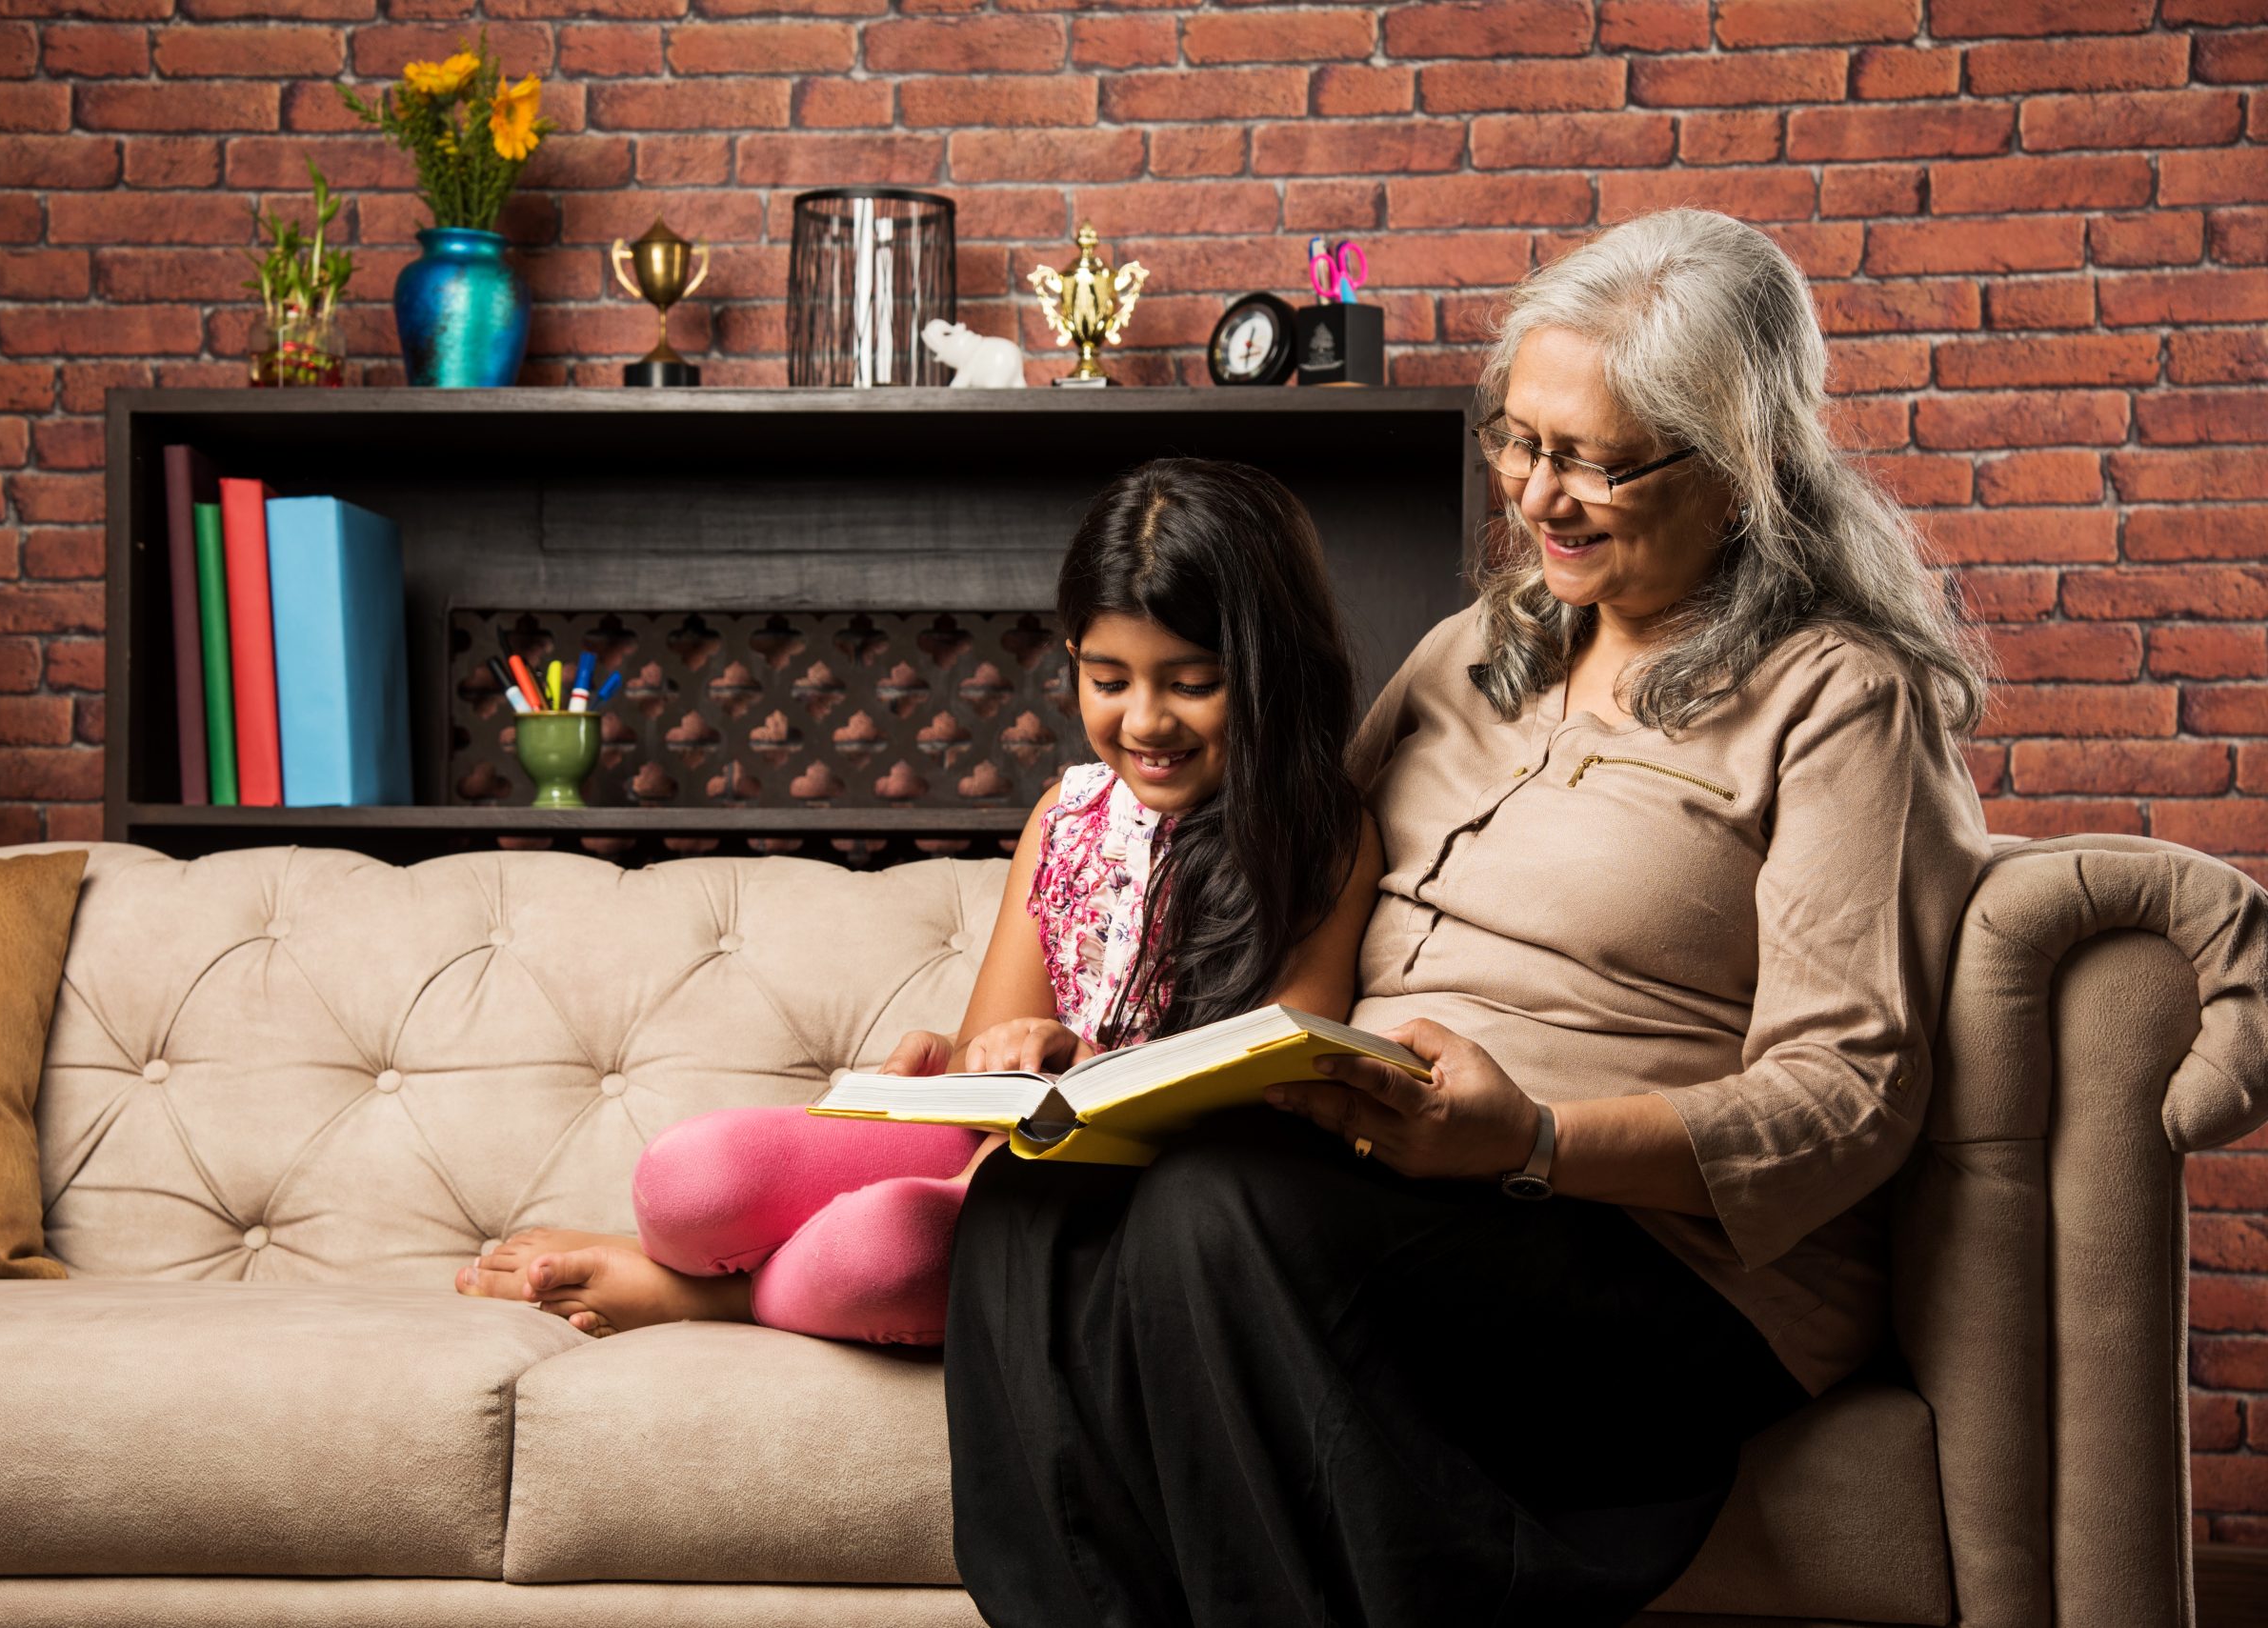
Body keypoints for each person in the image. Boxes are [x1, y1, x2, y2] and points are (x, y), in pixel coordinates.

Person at [944, 207, 1995, 1626]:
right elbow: (1280, 884)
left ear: (1740, 467)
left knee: (1217, 1208)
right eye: (1520, 439)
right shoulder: (1462, 659)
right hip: (1378, 1183)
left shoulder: (1841, 702)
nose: (1538, 495)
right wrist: (1086, 1056)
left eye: (1596, 461)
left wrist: (1536, 1143)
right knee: (1027, 1199)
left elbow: (1849, 1097)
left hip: (1656, 1264)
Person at [452, 456, 1382, 1346]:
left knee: (888, 1245)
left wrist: (1081, 1061)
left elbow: (1274, 1100)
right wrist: (972, 1057)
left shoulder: (1322, 844)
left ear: (1267, 670)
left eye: (1192, 684)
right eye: (1108, 680)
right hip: (1001, 1148)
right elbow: (987, 1065)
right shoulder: (1066, 816)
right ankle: (701, 1263)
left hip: (1120, 1196)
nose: (1143, 720)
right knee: (687, 1178)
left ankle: (704, 1294)